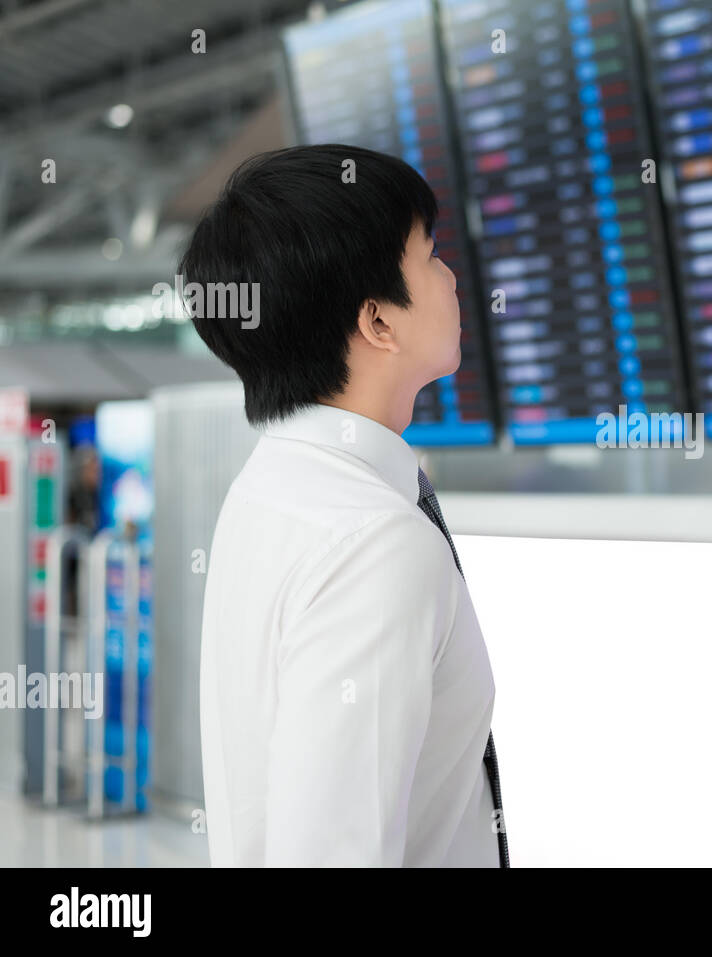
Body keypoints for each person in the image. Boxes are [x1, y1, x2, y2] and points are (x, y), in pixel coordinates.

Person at [182, 144, 506, 866]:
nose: (453, 278)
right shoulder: (376, 543)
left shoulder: (271, 489)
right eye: (430, 255)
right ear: (378, 322)